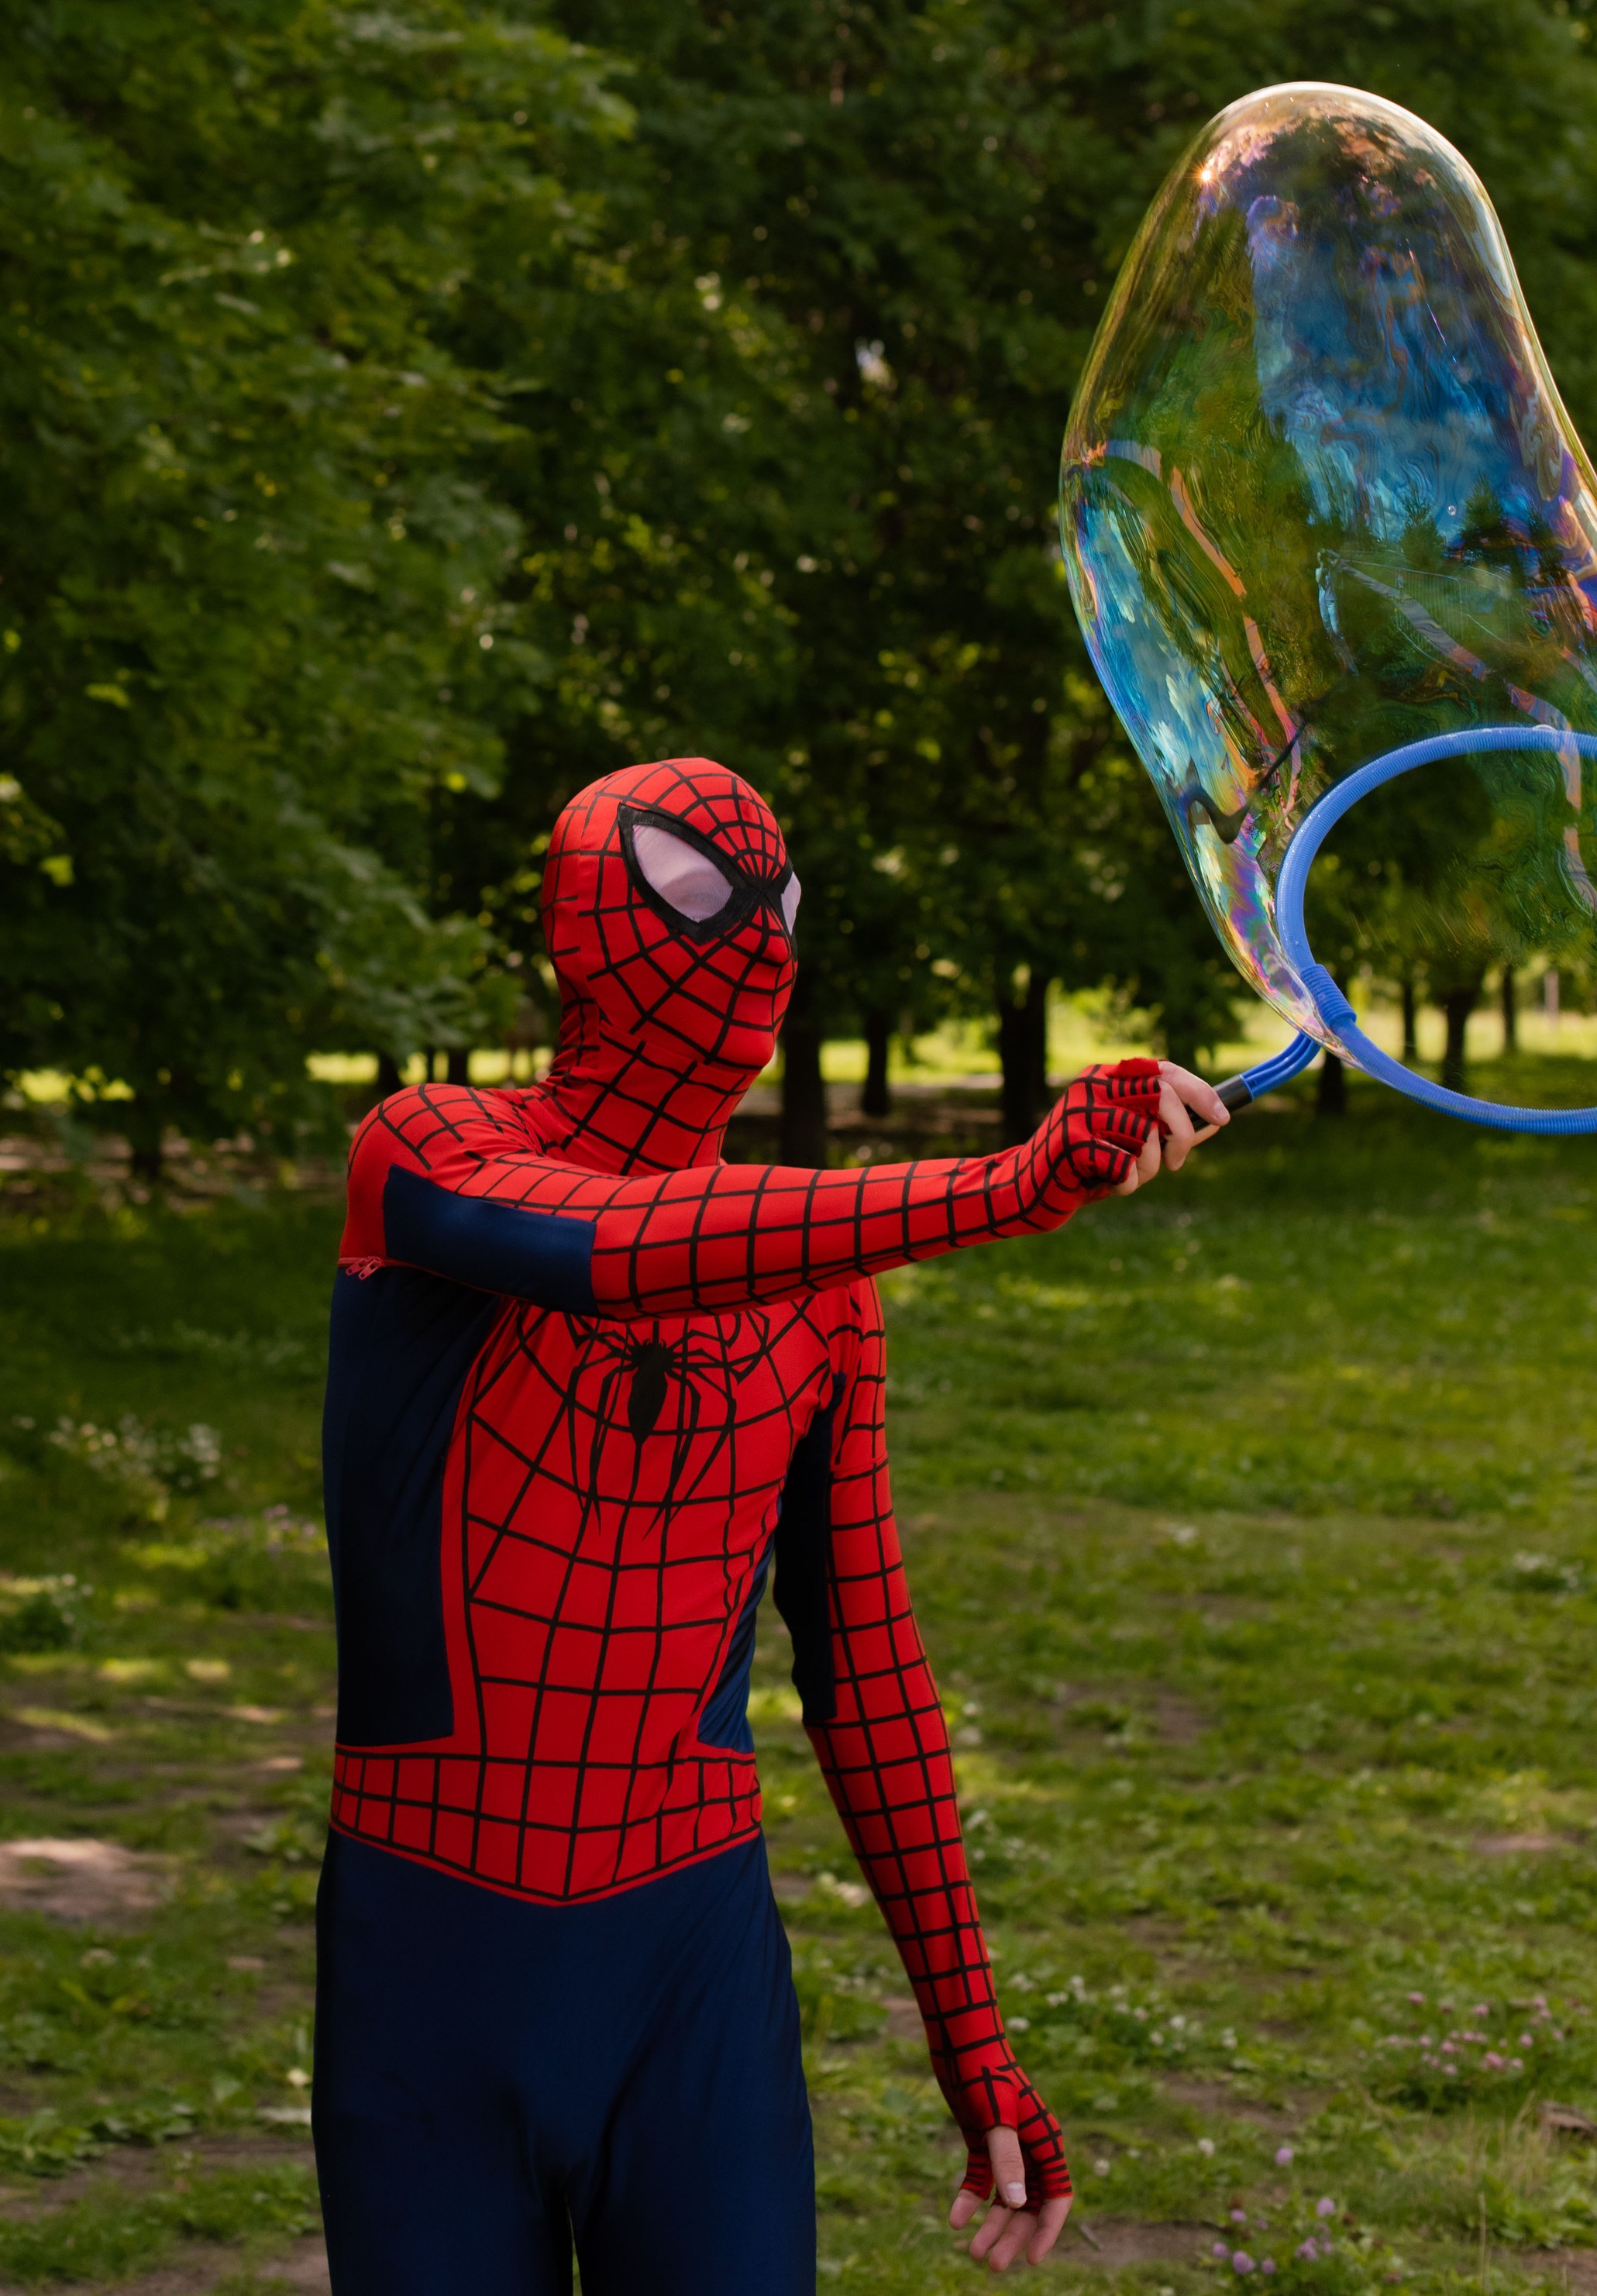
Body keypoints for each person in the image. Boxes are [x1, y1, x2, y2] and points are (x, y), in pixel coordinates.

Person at [314, 755, 1225, 2295]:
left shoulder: (820, 1301)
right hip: (429, 1947)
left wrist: (976, 2040)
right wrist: (1012, 1179)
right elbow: (611, 1249)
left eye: (777, 903)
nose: (751, 938)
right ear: (580, 922)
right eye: (694, 890)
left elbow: (870, 1676)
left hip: (695, 1961)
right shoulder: (422, 1154)